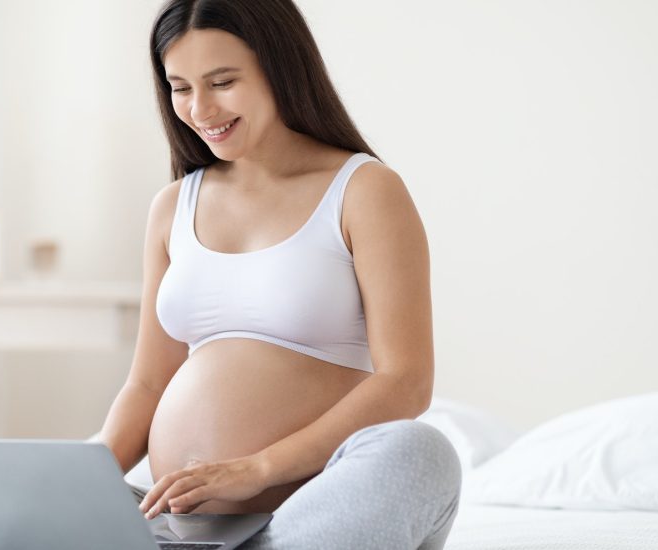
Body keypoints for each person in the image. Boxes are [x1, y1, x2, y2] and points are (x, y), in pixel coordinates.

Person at [95, 0, 461, 548]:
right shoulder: (173, 206)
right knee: (24, 501)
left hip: (306, 513)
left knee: (419, 453)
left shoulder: (364, 190)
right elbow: (148, 384)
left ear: (280, 66)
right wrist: (81, 477)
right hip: (178, 520)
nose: (200, 108)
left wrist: (257, 469)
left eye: (222, 81)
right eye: (180, 87)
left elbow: (405, 383)